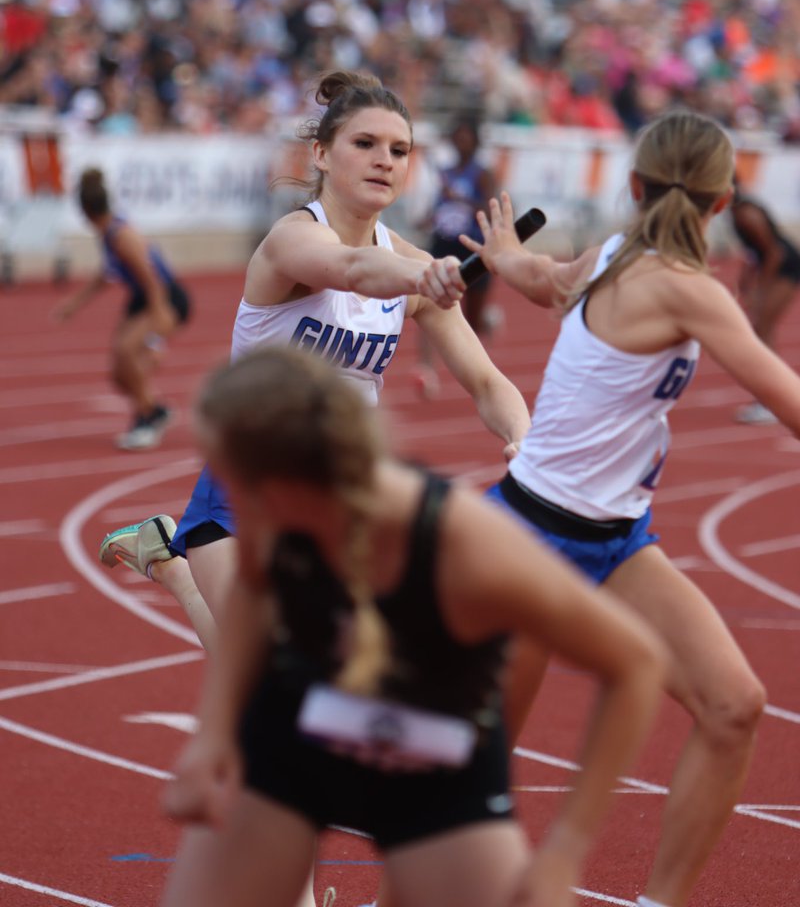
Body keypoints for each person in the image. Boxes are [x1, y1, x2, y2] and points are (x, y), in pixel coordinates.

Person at [98, 70, 531, 906]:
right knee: (284, 698)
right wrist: (416, 280)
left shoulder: (412, 262)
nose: (383, 161)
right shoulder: (291, 242)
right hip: (247, 497)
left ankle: (170, 565)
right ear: (323, 155)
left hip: (345, 509)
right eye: (365, 144)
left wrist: (521, 440)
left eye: (399, 150)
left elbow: (485, 380)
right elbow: (346, 268)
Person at [161, 345, 665, 907]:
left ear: (287, 475)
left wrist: (564, 850)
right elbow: (253, 596)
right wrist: (213, 736)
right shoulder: (275, 515)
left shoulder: (462, 540)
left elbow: (636, 663)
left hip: (437, 759)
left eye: (233, 478)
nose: (226, 497)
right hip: (295, 732)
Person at [460, 112, 781, 907]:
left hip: (615, 541)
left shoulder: (615, 256)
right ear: (722, 202)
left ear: (635, 188)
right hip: (531, 539)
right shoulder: (685, 288)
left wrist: (505, 256)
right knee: (476, 771)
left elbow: (545, 283)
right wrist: (510, 261)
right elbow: (785, 395)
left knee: (733, 705)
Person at [53, 167, 191, 450]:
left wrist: (157, 331)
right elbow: (105, 275)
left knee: (129, 351)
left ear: (86, 211)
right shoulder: (108, 232)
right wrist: (74, 304)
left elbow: (151, 278)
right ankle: (153, 410)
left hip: (164, 298)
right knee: (119, 375)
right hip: (144, 299)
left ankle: (149, 416)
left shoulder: (120, 235)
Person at [414, 117, 499, 398]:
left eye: (466, 137)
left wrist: (459, 199)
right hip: (443, 241)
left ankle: (483, 328)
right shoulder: (446, 172)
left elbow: (489, 209)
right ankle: (426, 367)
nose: (461, 142)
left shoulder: (482, 174)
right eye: (457, 136)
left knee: (471, 315)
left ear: (475, 142)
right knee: (429, 301)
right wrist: (428, 219)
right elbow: (440, 204)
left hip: (471, 244)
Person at [729, 181, 800, 423]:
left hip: (786, 267)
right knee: (760, 330)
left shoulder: (747, 214)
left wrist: (760, 290)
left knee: (763, 329)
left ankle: (774, 401)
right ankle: (771, 399)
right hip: (776, 266)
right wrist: (746, 282)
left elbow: (774, 253)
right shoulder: (736, 213)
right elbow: (754, 253)